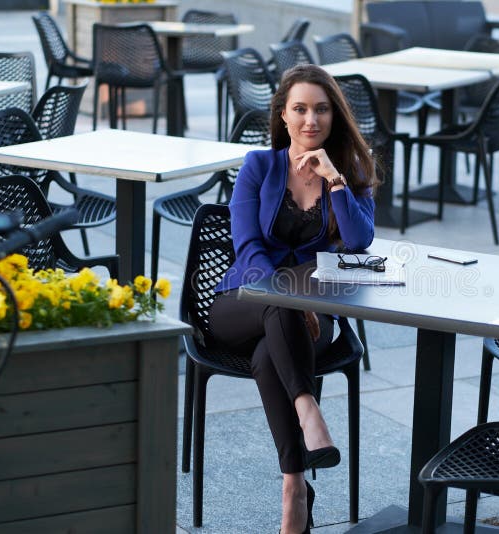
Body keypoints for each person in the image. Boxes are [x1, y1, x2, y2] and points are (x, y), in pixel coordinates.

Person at [209, 64, 378, 534]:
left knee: (270, 356)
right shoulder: (258, 167)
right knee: (277, 309)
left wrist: (335, 180)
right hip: (241, 302)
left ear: (334, 116)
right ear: (282, 115)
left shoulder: (350, 171)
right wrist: (286, 296)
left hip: (309, 318)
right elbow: (247, 247)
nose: (311, 120)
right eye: (300, 109)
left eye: (321, 110)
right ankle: (309, 409)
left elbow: (360, 241)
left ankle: (293, 488)